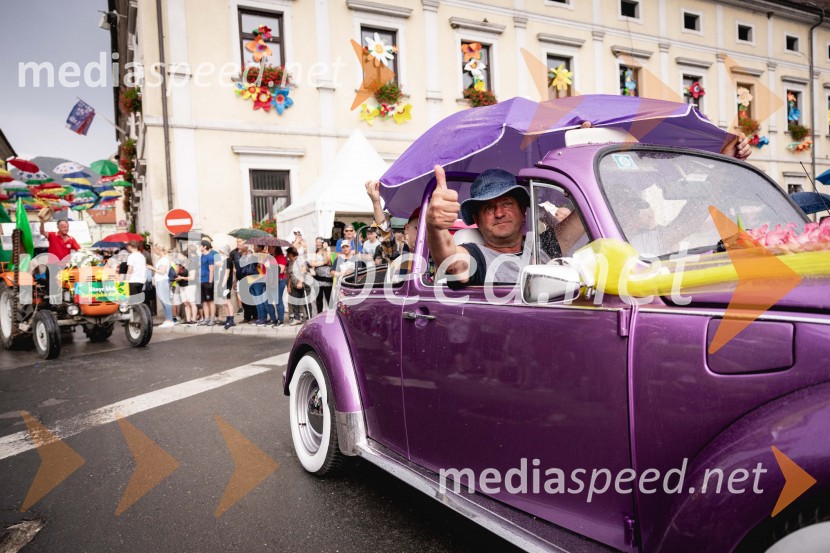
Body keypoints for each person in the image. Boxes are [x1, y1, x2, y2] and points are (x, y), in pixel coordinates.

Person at [151, 243, 175, 328]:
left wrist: (152, 268)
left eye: (155, 249)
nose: (154, 251)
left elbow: (162, 272)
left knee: (165, 301)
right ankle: (168, 319)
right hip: (159, 281)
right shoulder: (161, 259)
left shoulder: (164, 259)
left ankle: (170, 320)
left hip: (162, 281)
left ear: (159, 249)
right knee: (163, 301)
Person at [307, 237, 333, 314]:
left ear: (323, 243)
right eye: (317, 242)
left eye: (319, 242)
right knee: (319, 299)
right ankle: (319, 314)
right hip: (317, 278)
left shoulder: (327, 251)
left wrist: (325, 250)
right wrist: (323, 263)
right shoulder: (314, 253)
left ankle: (332, 314)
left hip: (327, 278)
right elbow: (312, 264)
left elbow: (327, 261)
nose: (318, 244)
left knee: (329, 298)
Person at [286, 247, 311, 324]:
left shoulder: (299, 260)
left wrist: (300, 282)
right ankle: (297, 318)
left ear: (291, 254)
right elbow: (290, 275)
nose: (287, 255)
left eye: (288, 254)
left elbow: (303, 270)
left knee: (306, 301)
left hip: (304, 283)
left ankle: (310, 318)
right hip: (294, 285)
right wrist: (289, 286)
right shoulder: (291, 262)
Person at [173, 252, 197, 324]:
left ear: (185, 257)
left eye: (180, 256)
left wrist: (182, 278)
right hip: (182, 285)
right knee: (186, 304)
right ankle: (188, 320)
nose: (179, 257)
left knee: (192, 303)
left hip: (190, 286)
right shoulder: (180, 265)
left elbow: (192, 277)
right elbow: (176, 274)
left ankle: (194, 319)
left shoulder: (191, 264)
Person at [198, 240, 218, 326]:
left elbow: (211, 270)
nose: (199, 247)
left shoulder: (210, 257)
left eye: (200, 245)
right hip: (201, 280)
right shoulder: (202, 256)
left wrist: (210, 282)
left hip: (207, 281)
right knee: (204, 301)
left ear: (205, 246)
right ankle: (206, 318)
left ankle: (212, 318)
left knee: (210, 301)